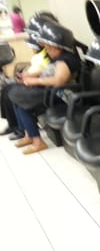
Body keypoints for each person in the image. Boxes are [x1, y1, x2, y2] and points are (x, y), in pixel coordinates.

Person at [8, 20, 80, 154]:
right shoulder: (58, 59)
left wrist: (35, 81)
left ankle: (37, 142)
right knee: (17, 99)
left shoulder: (66, 59)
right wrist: (29, 76)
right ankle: (29, 135)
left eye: (48, 47)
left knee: (22, 102)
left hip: (59, 96)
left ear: (56, 46)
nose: (46, 49)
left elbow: (58, 80)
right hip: (49, 93)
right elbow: (48, 71)